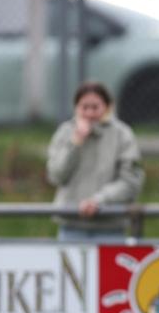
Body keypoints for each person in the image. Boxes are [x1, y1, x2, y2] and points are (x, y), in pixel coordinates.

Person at [47, 81, 144, 241]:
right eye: (84, 107)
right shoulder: (65, 132)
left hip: (110, 226)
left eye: (95, 107)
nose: (90, 113)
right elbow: (56, 175)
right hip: (72, 224)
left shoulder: (122, 134)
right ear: (76, 108)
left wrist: (99, 201)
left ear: (107, 107)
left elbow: (131, 181)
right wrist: (75, 143)